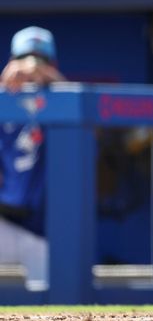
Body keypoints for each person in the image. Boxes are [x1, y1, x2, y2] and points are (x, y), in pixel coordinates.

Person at [0, 27, 66, 286]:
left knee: (53, 302)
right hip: (5, 223)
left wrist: (54, 81)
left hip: (44, 233)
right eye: (25, 58)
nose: (32, 68)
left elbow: (96, 138)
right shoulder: (4, 102)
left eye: (41, 60)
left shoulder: (61, 102)